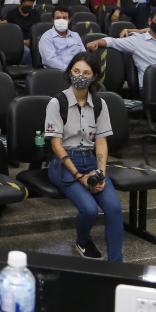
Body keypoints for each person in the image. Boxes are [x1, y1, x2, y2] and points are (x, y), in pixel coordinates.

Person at [45, 53, 123, 262]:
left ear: (94, 76)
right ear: (70, 72)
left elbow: (101, 141)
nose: (80, 76)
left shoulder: (99, 104)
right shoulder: (57, 103)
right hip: (64, 162)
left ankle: (117, 265)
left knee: (114, 209)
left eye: (86, 73)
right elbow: (55, 144)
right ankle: (83, 240)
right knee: (89, 209)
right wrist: (80, 176)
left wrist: (100, 173)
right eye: (76, 71)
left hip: (90, 159)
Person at [86, 9, 156, 86]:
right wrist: (96, 42)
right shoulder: (137, 40)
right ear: (149, 21)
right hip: (151, 86)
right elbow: (112, 42)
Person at [6, 0, 41, 66]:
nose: (28, 9)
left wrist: (32, 41)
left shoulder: (35, 13)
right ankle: (29, 72)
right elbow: (9, 34)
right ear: (20, 2)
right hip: (17, 42)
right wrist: (23, 42)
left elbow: (37, 31)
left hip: (32, 41)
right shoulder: (11, 14)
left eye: (30, 7)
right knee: (27, 51)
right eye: (26, 6)